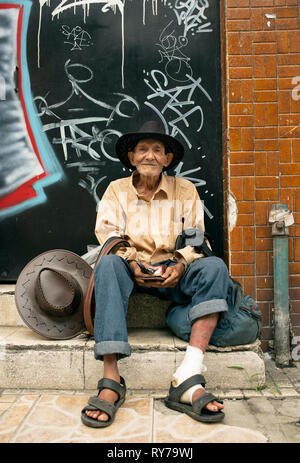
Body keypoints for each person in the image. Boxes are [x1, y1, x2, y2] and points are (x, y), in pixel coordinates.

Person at [81, 121, 229, 428]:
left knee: (215, 267)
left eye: (157, 150)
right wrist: (132, 263)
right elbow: (108, 234)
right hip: (130, 270)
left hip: (172, 271)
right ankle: (111, 378)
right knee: (108, 263)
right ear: (132, 157)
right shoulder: (116, 191)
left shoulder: (184, 189)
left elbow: (196, 237)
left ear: (167, 159)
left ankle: (188, 375)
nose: (150, 156)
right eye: (143, 149)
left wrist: (181, 265)